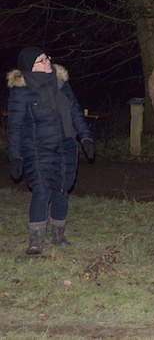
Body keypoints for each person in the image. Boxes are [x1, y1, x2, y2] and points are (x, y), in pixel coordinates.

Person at [7, 47, 95, 255]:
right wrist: (15, 155)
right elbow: (15, 127)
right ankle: (36, 241)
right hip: (37, 149)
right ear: (30, 67)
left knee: (62, 189)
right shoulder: (21, 92)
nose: (47, 61)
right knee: (42, 189)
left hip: (66, 146)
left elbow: (75, 112)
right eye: (41, 60)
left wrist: (86, 137)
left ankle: (58, 236)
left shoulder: (62, 84)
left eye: (46, 57)